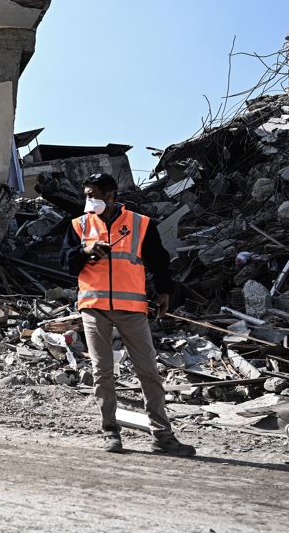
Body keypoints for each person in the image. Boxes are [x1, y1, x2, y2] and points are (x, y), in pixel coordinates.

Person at [61, 172, 196, 456]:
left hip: (131, 309)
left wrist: (164, 292)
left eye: (94, 195)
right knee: (103, 373)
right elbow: (67, 265)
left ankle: (162, 436)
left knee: (148, 371)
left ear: (112, 196)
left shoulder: (139, 224)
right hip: (94, 308)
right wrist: (86, 250)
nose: (89, 200)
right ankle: (110, 431)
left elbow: (159, 261)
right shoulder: (79, 225)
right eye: (86, 194)